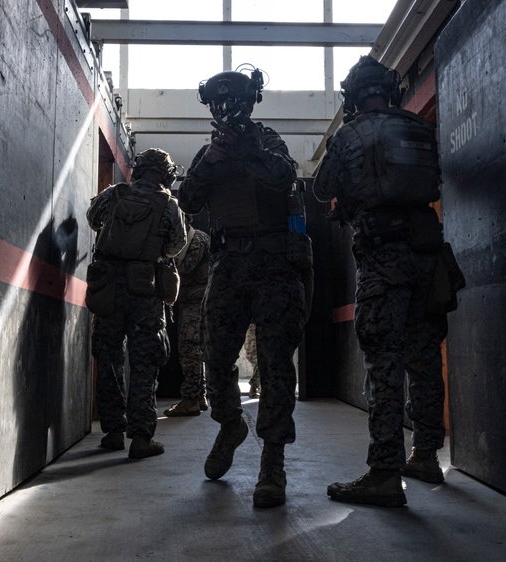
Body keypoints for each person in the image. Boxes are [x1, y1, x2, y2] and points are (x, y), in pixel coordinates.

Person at [314, 56, 453, 506]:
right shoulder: (418, 128)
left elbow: (321, 188)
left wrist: (351, 199)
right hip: (428, 253)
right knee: (424, 357)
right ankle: (427, 455)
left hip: (383, 258)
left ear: (353, 96)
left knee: (384, 363)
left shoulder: (350, 133)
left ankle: (384, 473)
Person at [178, 66, 312, 508]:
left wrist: (246, 153)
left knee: (275, 365)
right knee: (213, 355)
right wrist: (211, 163)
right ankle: (230, 423)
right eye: (216, 104)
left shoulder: (267, 140)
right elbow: (188, 202)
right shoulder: (208, 152)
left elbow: (286, 178)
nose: (223, 111)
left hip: (274, 264)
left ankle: (272, 463)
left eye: (230, 102)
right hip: (229, 264)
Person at [85, 148, 187, 459]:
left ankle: (114, 432)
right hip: (145, 289)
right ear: (167, 174)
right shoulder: (169, 205)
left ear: (138, 169)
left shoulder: (114, 194)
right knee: (145, 362)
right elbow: (176, 245)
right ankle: (142, 437)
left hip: (108, 286)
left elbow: (92, 219)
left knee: (109, 356)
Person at [164, 214, 212, 417]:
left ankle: (191, 399)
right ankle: (199, 396)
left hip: (197, 302)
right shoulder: (182, 239)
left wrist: (164, 256)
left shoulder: (197, 239)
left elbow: (185, 266)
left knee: (189, 349)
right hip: (190, 301)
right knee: (193, 350)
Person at [242, 323, 260, 398]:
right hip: (251, 326)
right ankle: (255, 386)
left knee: (260, 359)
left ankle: (254, 386)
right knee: (252, 356)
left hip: (260, 325)